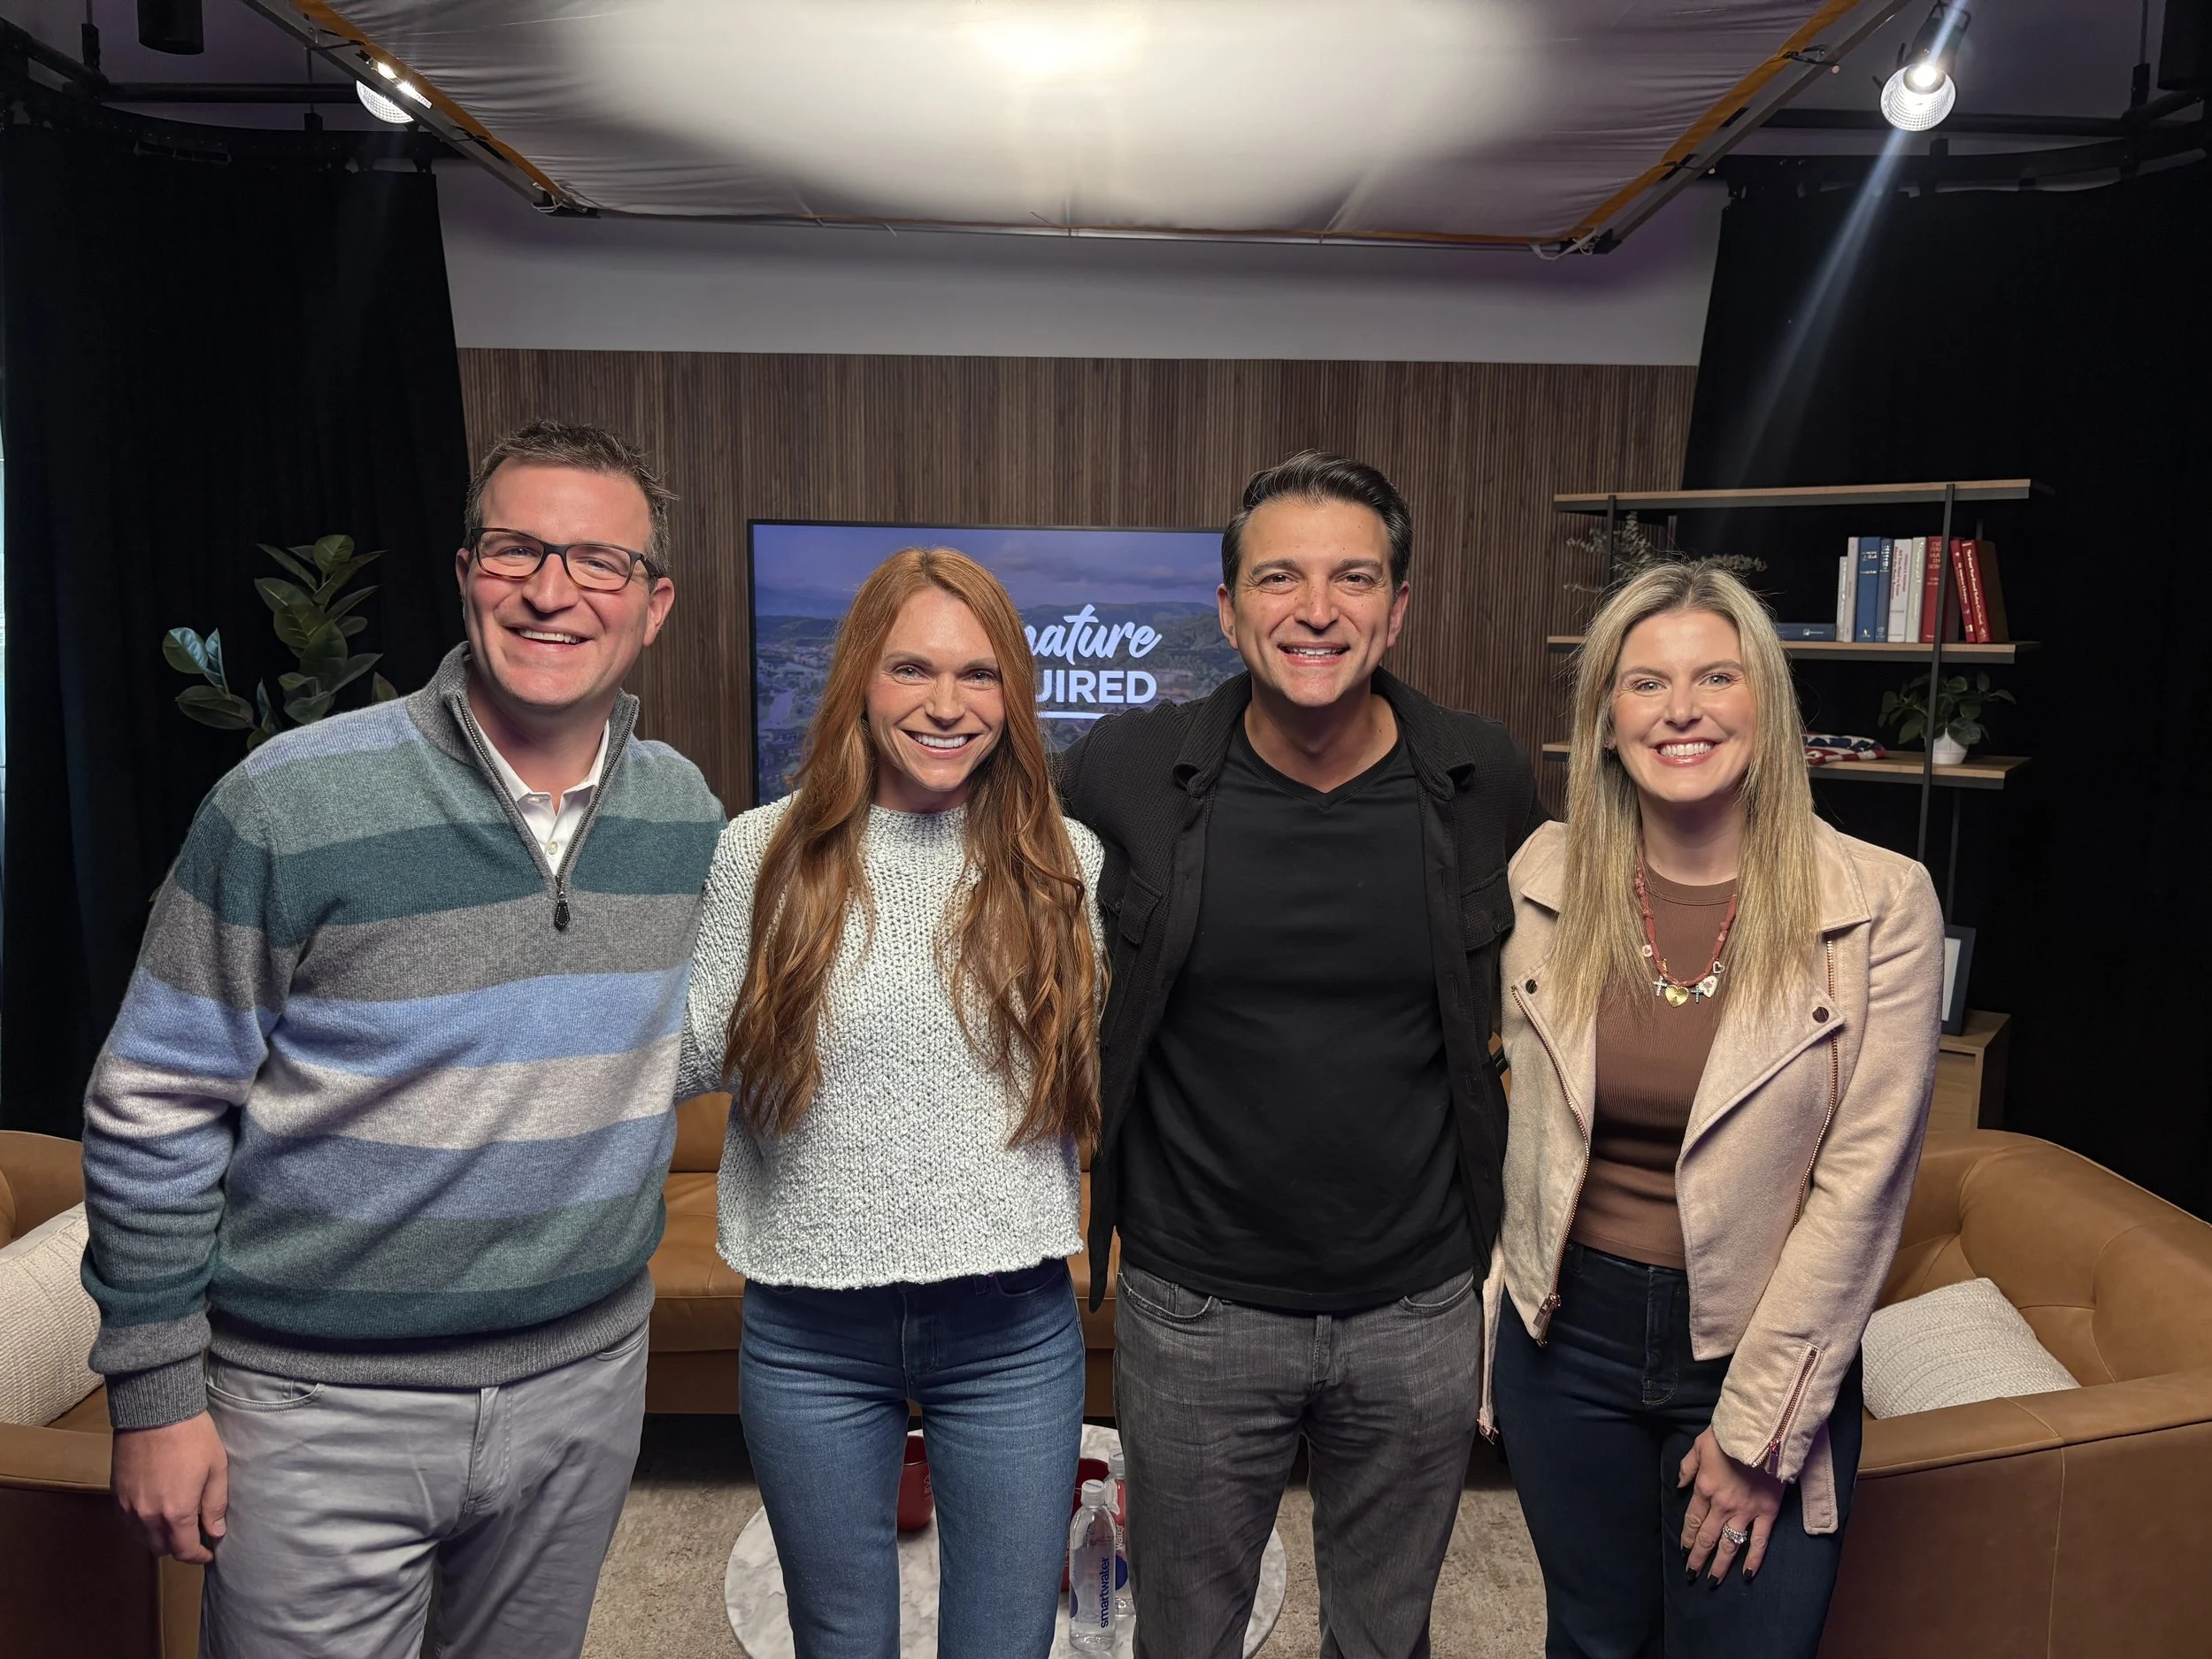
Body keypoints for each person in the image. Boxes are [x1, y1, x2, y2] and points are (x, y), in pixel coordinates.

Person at [82, 419, 725, 1658]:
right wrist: (156, 1393)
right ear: (464, 570)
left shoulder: (684, 810)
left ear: (654, 605)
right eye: (515, 550)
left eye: (599, 562)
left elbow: (674, 1041)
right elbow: (155, 1097)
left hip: (581, 1388)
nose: (551, 590)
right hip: (316, 1405)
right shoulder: (289, 797)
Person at [1057, 450, 1548, 1659]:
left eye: (1353, 577)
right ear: (1228, 609)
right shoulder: (1128, 772)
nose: (1315, 608)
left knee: (1386, 1637)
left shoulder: (1482, 776)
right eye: (1279, 576)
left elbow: (1566, 997)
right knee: (1185, 1635)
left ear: (1399, 608)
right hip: (1194, 1303)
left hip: (1419, 1305)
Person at [1484, 561, 1944, 1658]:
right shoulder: (1537, 878)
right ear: (1604, 722)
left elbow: (1861, 1187)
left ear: (1765, 707)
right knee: (1592, 1642)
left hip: (1755, 1344)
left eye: (1714, 678)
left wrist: (1755, 1432)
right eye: (1643, 684)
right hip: (1565, 1342)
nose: (1679, 709)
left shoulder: (1878, 903)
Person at [679, 547, 1102, 1658]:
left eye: (978, 674)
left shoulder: (1067, 865)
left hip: (1009, 1329)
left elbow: (1113, 1063)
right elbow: (682, 1057)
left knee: (1006, 1641)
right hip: (811, 1332)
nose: (946, 705)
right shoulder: (758, 854)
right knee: (839, 1638)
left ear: (1013, 693)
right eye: (912, 668)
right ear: (860, 677)